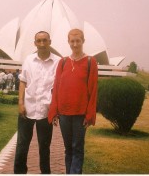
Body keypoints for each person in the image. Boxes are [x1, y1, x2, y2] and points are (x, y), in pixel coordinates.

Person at [48, 29, 98, 174]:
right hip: (64, 113)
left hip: (80, 114)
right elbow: (56, 87)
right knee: (68, 148)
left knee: (77, 147)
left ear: (83, 41)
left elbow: (93, 90)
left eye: (78, 41)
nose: (75, 44)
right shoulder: (63, 62)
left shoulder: (90, 62)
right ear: (68, 42)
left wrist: (90, 115)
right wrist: (54, 111)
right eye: (72, 41)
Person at [14, 31, 60, 174]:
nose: (42, 44)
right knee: (22, 146)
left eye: (44, 40)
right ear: (34, 43)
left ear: (50, 42)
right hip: (27, 108)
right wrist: (20, 103)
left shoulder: (58, 62)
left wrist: (56, 110)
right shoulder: (29, 60)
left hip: (45, 110)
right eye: (39, 41)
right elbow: (23, 82)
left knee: (44, 147)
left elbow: (59, 87)